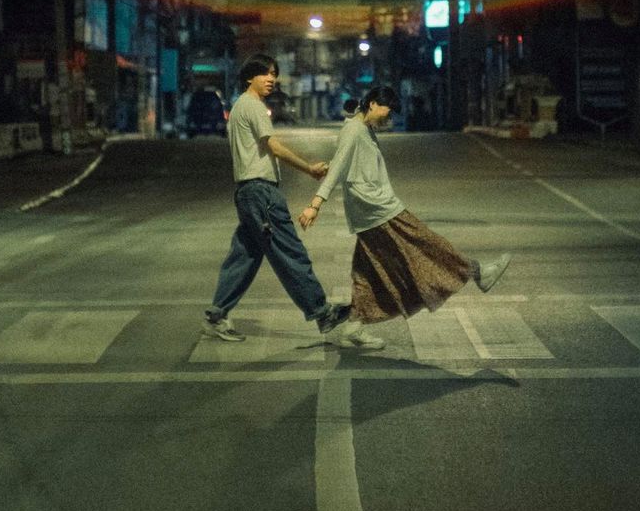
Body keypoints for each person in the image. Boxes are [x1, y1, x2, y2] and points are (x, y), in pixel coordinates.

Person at [299, 85, 512, 350]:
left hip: (369, 213)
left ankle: (354, 327)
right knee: (426, 243)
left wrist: (335, 169)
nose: (389, 118)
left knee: (367, 273)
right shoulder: (354, 131)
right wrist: (315, 204)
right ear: (374, 104)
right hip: (378, 210)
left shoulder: (360, 127)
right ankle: (478, 273)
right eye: (388, 111)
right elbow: (340, 166)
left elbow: (347, 164)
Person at [203, 52, 355, 343]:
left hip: (247, 193)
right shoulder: (254, 106)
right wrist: (309, 168)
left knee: (244, 256)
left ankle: (217, 313)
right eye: (265, 74)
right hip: (261, 193)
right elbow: (272, 145)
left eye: (274, 74)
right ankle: (321, 311)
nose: (272, 79)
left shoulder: (238, 107)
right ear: (250, 77)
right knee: (290, 252)